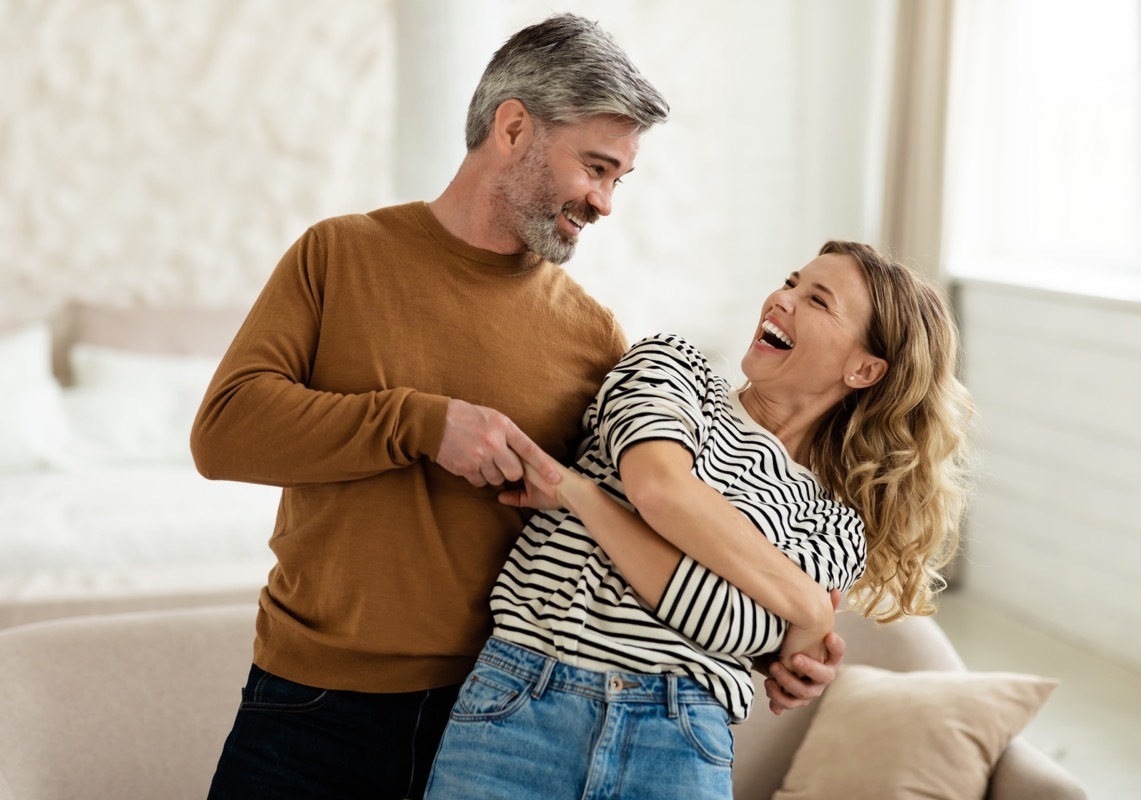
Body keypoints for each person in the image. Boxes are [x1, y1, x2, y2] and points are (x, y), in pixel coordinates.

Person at [193, 14, 837, 800]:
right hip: (308, 704)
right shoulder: (339, 255)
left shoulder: (595, 338)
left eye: (618, 180)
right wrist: (423, 425)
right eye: (595, 168)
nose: (604, 202)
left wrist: (775, 647)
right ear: (512, 127)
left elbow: (621, 545)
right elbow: (224, 434)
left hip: (502, 719)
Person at [423, 241, 975, 799]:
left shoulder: (837, 527)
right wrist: (801, 602)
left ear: (863, 368)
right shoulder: (673, 366)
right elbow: (660, 488)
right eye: (790, 281)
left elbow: (736, 626)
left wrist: (582, 495)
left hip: (682, 741)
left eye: (817, 300)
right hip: (521, 699)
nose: (781, 300)